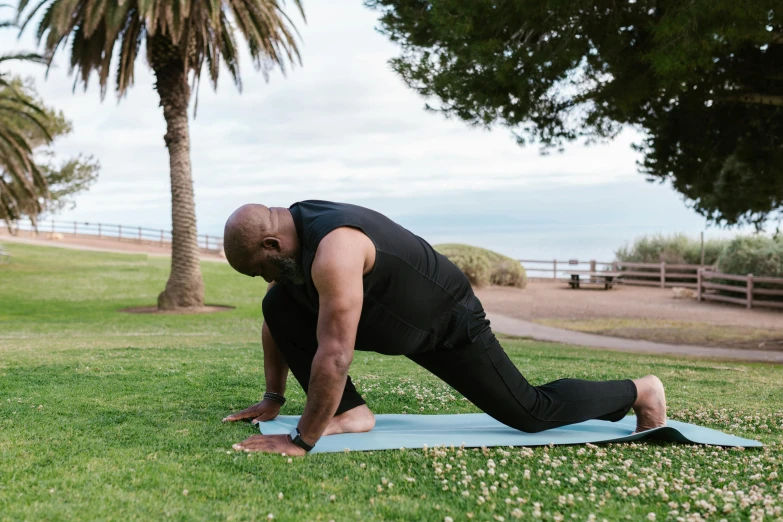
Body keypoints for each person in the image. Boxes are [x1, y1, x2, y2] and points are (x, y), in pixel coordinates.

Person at [221, 200, 667, 455]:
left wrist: (304, 439)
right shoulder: (295, 246)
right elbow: (276, 325)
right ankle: (349, 412)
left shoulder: (335, 248)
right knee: (277, 304)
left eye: (261, 267)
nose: (268, 276)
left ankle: (641, 390)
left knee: (529, 413)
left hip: (448, 324)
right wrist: (272, 398)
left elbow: (335, 354)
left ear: (273, 243)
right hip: (394, 320)